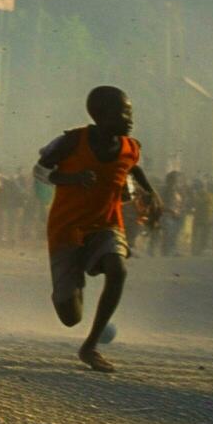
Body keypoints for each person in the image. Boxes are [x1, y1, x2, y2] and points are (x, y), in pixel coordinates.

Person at [36, 85, 163, 373]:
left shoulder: (131, 147)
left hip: (107, 224)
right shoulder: (70, 142)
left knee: (118, 270)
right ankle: (69, 282)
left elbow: (132, 167)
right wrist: (73, 178)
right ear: (100, 115)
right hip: (67, 228)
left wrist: (150, 192)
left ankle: (90, 346)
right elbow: (41, 171)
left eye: (131, 113)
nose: (130, 119)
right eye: (123, 113)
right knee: (70, 316)